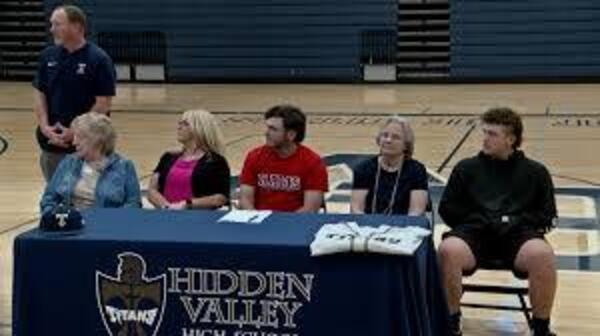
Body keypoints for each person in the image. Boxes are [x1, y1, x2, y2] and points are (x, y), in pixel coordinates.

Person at [437, 107, 558, 336]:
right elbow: (448, 209)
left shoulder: (536, 172)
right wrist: (479, 220)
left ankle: (541, 328)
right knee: (447, 250)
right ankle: (451, 322)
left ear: (511, 139)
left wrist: (513, 220)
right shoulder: (466, 168)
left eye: (492, 134)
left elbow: (547, 215)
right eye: (485, 132)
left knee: (542, 255)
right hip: (475, 234)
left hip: (518, 235)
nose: (485, 138)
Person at [33, 4, 116, 182]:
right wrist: (44, 127)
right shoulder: (47, 56)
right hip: (53, 142)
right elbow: (40, 94)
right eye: (51, 24)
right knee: (56, 192)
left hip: (89, 145)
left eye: (57, 24)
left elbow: (103, 103)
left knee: (88, 196)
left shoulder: (98, 59)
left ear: (77, 27)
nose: (52, 29)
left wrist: (76, 132)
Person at [40, 112, 141, 214]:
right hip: (71, 223)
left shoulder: (124, 166)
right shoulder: (68, 162)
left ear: (97, 140)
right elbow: (48, 200)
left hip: (108, 224)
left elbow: (133, 205)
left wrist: (113, 220)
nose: (74, 142)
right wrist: (53, 215)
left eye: (79, 137)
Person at [239, 105, 328, 212]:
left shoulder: (313, 163)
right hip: (259, 223)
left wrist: (283, 225)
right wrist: (255, 219)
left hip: (295, 224)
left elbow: (310, 209)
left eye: (273, 129)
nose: (266, 133)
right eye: (267, 127)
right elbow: (245, 200)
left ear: (291, 135)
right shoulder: (254, 156)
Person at [147, 109, 231, 210]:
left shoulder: (215, 162)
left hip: (198, 219)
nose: (179, 127)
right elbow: (152, 190)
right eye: (179, 123)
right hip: (166, 215)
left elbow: (220, 198)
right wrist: (166, 206)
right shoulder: (168, 157)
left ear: (199, 129)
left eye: (185, 124)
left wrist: (187, 204)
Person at [351, 116, 428, 215]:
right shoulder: (363, 169)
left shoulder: (417, 171)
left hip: (404, 227)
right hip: (368, 226)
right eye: (385, 135)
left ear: (406, 145)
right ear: (379, 139)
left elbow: (417, 211)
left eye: (395, 137)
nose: (388, 140)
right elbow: (356, 208)